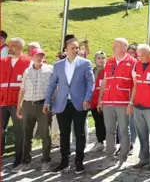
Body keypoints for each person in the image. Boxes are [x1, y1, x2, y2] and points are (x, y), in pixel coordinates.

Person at [43, 37, 94, 174]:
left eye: (77, 47)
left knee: (80, 134)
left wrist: (87, 98)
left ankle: (79, 161)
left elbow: (91, 83)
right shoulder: (58, 65)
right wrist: (47, 101)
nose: (76, 50)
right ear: (65, 50)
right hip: (62, 105)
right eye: (73, 48)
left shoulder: (85, 63)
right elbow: (52, 84)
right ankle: (64, 162)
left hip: (79, 104)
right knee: (64, 134)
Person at [98, 38, 137, 168]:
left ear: (124, 48)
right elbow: (104, 81)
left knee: (124, 130)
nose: (113, 48)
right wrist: (100, 99)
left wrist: (131, 103)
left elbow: (136, 85)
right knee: (109, 130)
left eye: (116, 46)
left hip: (123, 102)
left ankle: (123, 157)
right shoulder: (109, 61)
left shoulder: (133, 62)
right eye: (113, 45)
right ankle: (109, 157)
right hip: (108, 101)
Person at [15, 47, 53, 173]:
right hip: (27, 105)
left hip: (43, 106)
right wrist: (19, 106)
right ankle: (25, 162)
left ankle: (46, 161)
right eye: (37, 55)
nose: (40, 57)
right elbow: (22, 89)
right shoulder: (27, 71)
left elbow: (55, 88)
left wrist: (52, 101)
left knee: (45, 135)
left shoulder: (50, 70)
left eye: (42, 55)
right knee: (27, 135)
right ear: (31, 57)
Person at [130, 44, 150, 170]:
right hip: (138, 106)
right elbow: (135, 85)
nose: (140, 58)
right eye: (138, 55)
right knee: (142, 134)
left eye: (142, 55)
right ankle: (143, 159)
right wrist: (131, 103)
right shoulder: (136, 64)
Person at [0, 37, 31, 168]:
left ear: (21, 48)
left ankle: (19, 158)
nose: (10, 48)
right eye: (10, 45)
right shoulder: (2, 61)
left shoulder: (28, 62)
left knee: (20, 131)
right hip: (2, 102)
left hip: (18, 103)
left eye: (13, 46)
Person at [90, 51, 107, 152]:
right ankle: (100, 141)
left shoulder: (108, 70)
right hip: (94, 101)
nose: (101, 60)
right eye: (98, 58)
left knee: (107, 123)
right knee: (98, 122)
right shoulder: (92, 71)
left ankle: (108, 142)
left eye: (103, 58)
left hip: (105, 101)